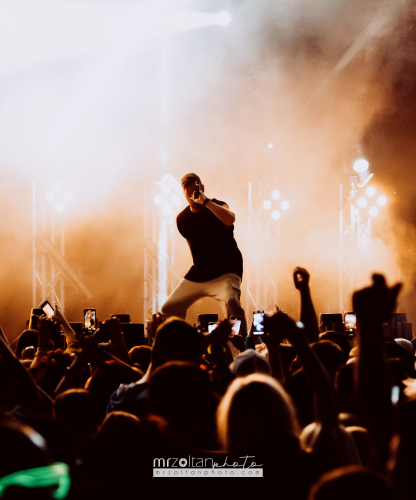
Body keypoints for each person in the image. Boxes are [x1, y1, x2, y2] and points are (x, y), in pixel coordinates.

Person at [161, 173, 247, 334]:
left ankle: (239, 342)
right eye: (188, 193)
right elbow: (192, 247)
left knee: (232, 304)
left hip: (226, 270)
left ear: (202, 188)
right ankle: (178, 344)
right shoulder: (182, 219)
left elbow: (230, 219)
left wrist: (206, 202)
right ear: (184, 195)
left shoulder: (218, 205)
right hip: (200, 273)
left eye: (195, 191)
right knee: (168, 308)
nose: (193, 196)